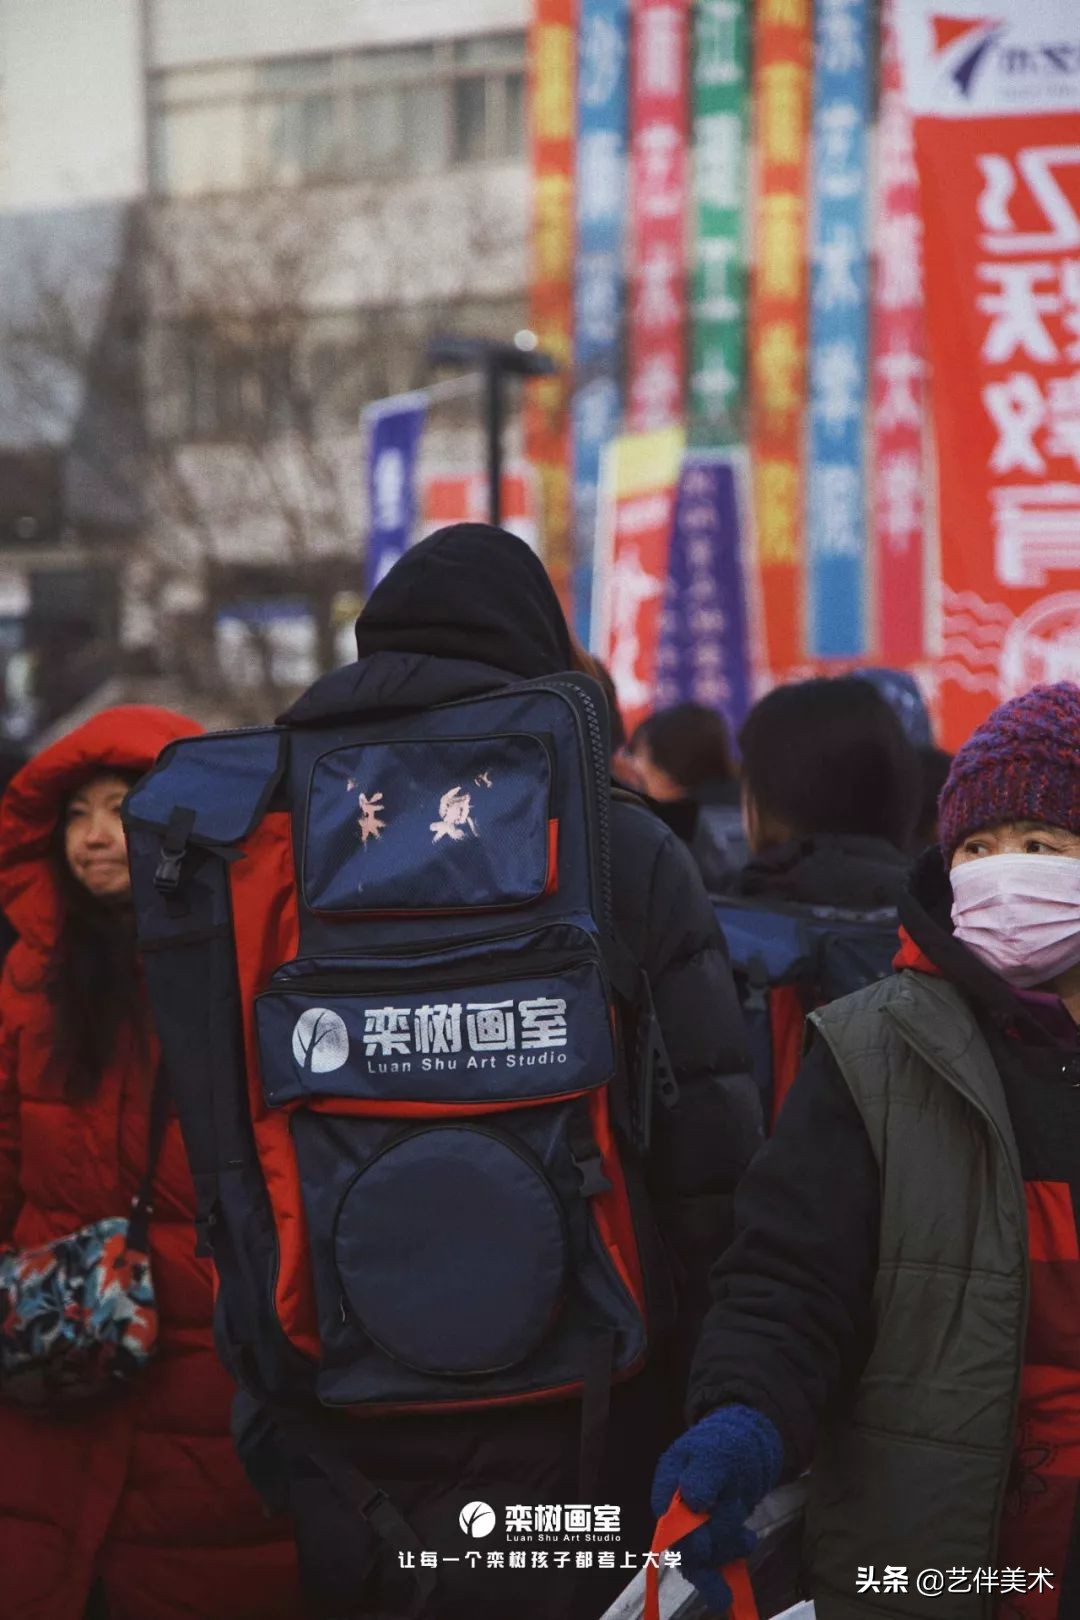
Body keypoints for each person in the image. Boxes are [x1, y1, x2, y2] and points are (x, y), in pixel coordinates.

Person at [253, 523, 763, 1620]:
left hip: (338, 1365)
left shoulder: (271, 833)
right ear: (541, 648)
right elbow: (711, 1150)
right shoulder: (622, 843)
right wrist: (711, 1376)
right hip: (587, 1365)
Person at [653, 682, 1080, 1619]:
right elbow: (789, 1277)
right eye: (976, 848)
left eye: (1042, 848)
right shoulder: (872, 1050)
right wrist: (743, 1415)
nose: (1004, 877)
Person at [0, 706, 302, 1620]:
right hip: (55, 1348)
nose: (95, 838)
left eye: (120, 807)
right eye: (77, 813)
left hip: (209, 1354)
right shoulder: (29, 979)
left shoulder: (256, 972)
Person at [630, 704, 746, 888]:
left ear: (667, 769)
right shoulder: (754, 812)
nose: (634, 765)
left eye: (638, 753)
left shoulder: (673, 833)